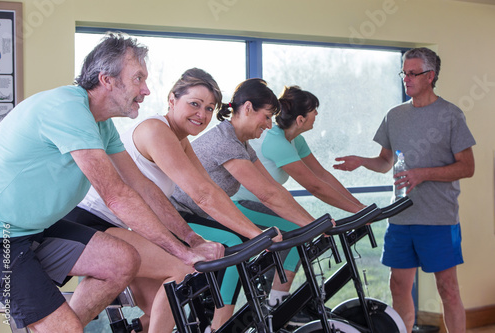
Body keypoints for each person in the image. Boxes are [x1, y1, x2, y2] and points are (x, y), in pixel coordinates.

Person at [0, 32, 223, 333]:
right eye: (138, 79)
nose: (145, 90)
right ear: (107, 80)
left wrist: (191, 239)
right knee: (67, 328)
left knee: (122, 260)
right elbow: (117, 196)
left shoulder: (101, 124)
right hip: (2, 238)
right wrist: (182, 253)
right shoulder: (67, 109)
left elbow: (140, 186)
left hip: (37, 228)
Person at [66, 68, 278, 333]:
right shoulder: (156, 130)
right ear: (171, 100)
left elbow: (208, 190)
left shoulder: (182, 142)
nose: (202, 114)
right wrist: (257, 235)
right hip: (92, 222)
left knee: (162, 307)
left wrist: (193, 237)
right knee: (182, 270)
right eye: (194, 104)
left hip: (121, 227)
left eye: (210, 108)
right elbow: (202, 195)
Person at [333, 47, 475, 333]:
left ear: (430, 76)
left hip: (438, 219)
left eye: (413, 73)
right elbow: (386, 162)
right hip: (400, 219)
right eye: (404, 73)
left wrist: (423, 174)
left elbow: (467, 167)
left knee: (447, 289)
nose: (406, 79)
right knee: (398, 287)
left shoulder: (451, 115)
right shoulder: (394, 115)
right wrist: (362, 162)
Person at [170, 78, 317, 331]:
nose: (270, 125)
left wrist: (310, 223)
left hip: (203, 215)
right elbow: (266, 195)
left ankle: (239, 311)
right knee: (237, 247)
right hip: (180, 215)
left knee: (246, 244)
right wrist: (311, 225)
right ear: (247, 108)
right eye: (267, 116)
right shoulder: (224, 141)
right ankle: (218, 328)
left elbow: (273, 189)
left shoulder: (242, 145)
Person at [231, 85, 366, 311]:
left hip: (262, 202)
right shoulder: (275, 140)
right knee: (300, 231)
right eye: (315, 110)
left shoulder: (295, 139)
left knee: (301, 231)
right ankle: (277, 304)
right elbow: (315, 187)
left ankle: (273, 294)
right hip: (239, 204)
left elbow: (322, 176)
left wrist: (359, 207)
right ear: (301, 119)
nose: (318, 115)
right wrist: (357, 211)